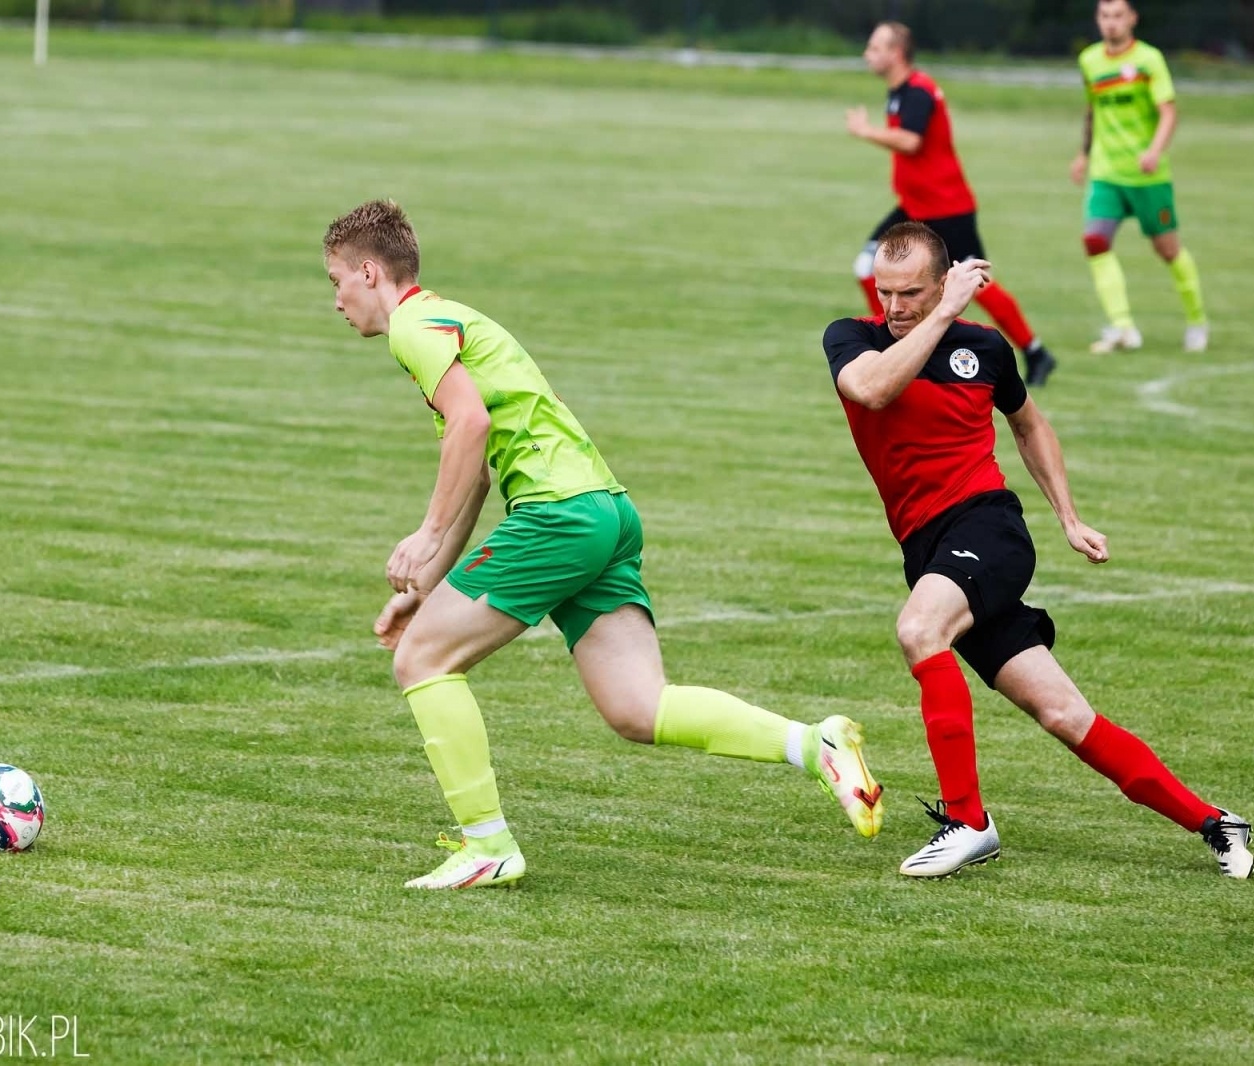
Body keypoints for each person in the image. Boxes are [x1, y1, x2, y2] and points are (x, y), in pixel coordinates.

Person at [323, 200, 886, 890]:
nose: (337, 301)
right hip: (606, 510)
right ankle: (813, 743)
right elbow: (473, 467)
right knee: (637, 707)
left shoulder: (413, 325)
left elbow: (469, 428)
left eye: (336, 282)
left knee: (423, 662)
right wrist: (426, 587)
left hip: (558, 515)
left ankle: (486, 845)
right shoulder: (451, 319)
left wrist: (427, 536)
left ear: (370, 272)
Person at [820, 221, 1254, 879]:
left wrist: (1068, 517)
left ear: (942, 283)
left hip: (987, 529)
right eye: (886, 292)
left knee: (919, 628)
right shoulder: (853, 338)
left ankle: (968, 822)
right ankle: (1216, 822)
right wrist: (941, 317)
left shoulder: (985, 349)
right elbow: (874, 390)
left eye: (912, 293)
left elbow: (1030, 425)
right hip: (929, 548)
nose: (895, 308)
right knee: (1063, 713)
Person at [845, 21, 1057, 387]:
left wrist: (865, 132)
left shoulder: (918, 92)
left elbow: (910, 141)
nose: (868, 54)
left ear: (896, 53)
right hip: (916, 206)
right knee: (867, 264)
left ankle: (1036, 352)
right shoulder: (899, 91)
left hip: (946, 209)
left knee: (976, 283)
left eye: (875, 47)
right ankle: (894, 345)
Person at [1071, 0, 1209, 354]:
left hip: (1148, 177)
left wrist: (1154, 151)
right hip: (1106, 173)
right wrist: (1084, 155)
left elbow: (1168, 112)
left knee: (1167, 250)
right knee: (1094, 242)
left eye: (1118, 15)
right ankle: (1122, 327)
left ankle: (1197, 320)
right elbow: (1092, 111)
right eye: (1104, 16)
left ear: (1132, 18)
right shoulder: (1090, 61)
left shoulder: (1149, 60)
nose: (1111, 23)